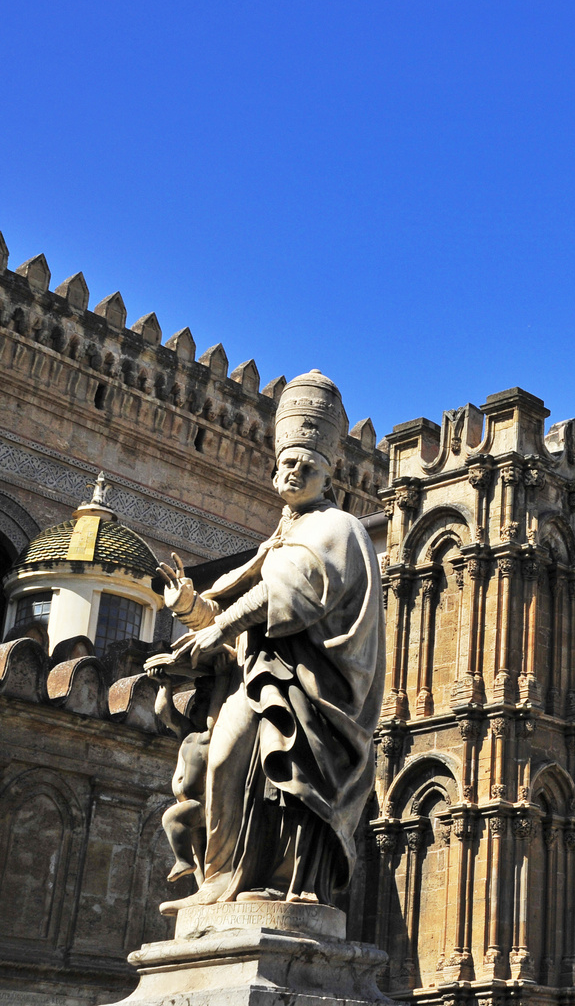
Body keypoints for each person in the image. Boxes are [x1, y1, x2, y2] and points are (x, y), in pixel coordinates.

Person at [147, 369, 383, 910]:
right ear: (274, 470)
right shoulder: (276, 539)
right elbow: (235, 614)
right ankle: (220, 880)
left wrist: (220, 628)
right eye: (288, 463)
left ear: (330, 475)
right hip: (260, 679)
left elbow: (292, 593)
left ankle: (245, 883)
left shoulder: (336, 527)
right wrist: (189, 605)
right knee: (207, 765)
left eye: (309, 464)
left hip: (308, 695)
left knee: (239, 760)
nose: (296, 470)